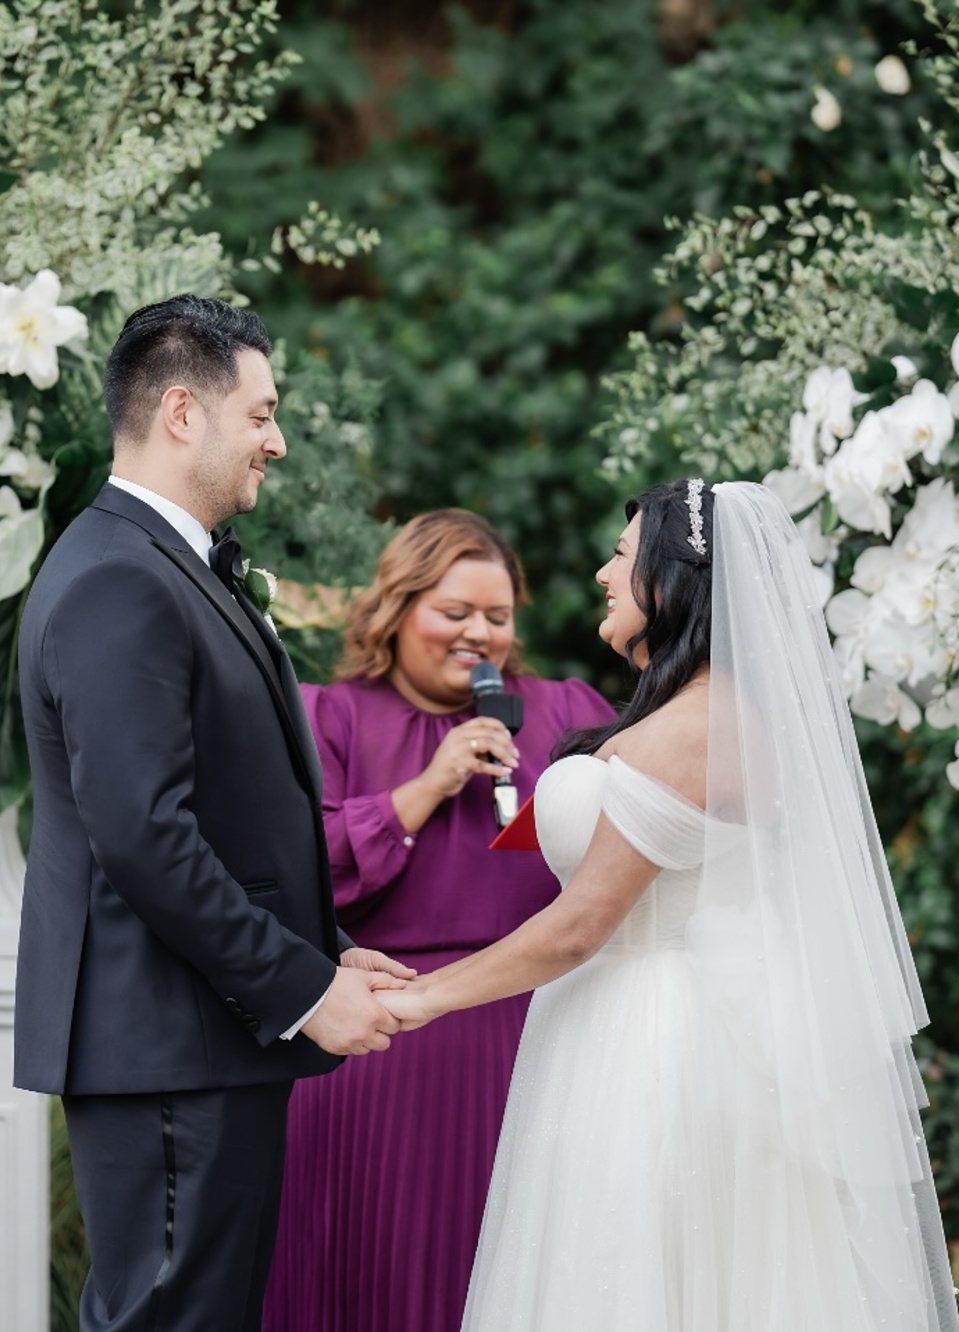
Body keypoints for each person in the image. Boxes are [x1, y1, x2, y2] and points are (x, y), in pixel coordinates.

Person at [380, 479, 959, 1331]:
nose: (603, 575)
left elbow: (582, 926)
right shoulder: (691, 712)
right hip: (627, 1021)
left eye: (622, 558)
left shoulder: (700, 725)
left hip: (655, 1044)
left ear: (672, 581)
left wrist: (418, 999)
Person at [13, 294, 413, 1332]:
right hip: (165, 1045)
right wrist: (297, 988)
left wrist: (323, 948)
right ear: (184, 413)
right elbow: (144, 834)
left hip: (189, 1040)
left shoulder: (159, 566)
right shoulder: (117, 580)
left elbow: (229, 809)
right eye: (263, 413)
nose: (276, 442)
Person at [261, 511, 616, 1332]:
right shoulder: (328, 717)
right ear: (398, 606)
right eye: (454, 612)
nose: (478, 634)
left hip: (534, 1042)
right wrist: (426, 786)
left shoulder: (566, 710)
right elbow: (294, 875)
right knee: (373, 1275)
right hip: (374, 1050)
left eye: (497, 616)